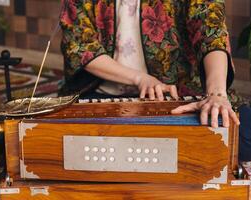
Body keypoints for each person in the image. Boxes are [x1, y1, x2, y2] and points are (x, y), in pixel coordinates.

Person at [58, 0, 240, 128]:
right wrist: (140, 79)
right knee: (53, 141)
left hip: (178, 96)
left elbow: (211, 32)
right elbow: (80, 46)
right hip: (101, 93)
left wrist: (216, 93)